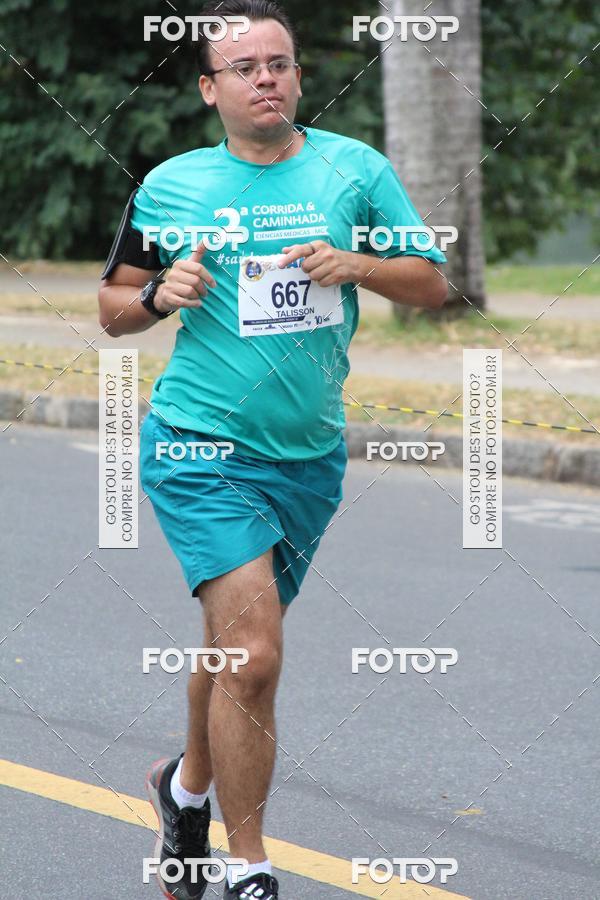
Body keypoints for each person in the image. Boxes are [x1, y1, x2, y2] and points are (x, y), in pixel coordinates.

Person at [98, 1, 448, 897]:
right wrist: (162, 297)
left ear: (298, 77)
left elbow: (434, 284)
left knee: (228, 650)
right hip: (198, 446)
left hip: (309, 457)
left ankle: (181, 790)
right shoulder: (171, 186)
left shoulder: (353, 169)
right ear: (210, 87)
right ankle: (248, 867)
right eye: (246, 67)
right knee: (254, 656)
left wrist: (356, 263)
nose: (267, 78)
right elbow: (113, 310)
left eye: (281, 64)